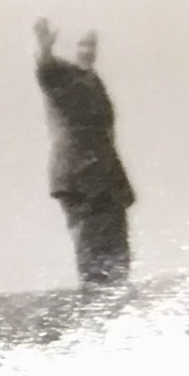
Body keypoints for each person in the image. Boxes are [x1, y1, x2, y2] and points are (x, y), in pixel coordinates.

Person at [35, 18, 133, 288]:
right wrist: (44, 49)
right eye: (81, 44)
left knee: (117, 255)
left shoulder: (92, 80)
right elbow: (46, 71)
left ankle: (117, 306)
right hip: (78, 177)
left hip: (106, 178)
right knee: (92, 252)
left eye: (92, 44)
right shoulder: (62, 76)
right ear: (69, 46)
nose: (88, 50)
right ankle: (97, 312)